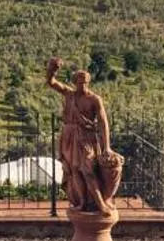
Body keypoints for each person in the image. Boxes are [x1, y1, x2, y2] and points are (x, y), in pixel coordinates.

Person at [45, 57, 116, 213]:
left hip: (86, 138)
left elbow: (103, 122)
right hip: (69, 136)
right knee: (74, 170)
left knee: (88, 170)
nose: (81, 84)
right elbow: (51, 82)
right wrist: (52, 70)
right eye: (78, 81)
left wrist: (107, 147)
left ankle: (100, 203)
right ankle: (82, 202)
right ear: (74, 82)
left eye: (84, 81)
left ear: (88, 82)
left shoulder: (94, 99)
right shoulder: (69, 95)